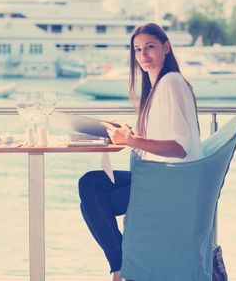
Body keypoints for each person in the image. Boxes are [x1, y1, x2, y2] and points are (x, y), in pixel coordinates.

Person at [78, 23, 203, 281]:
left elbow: (180, 148)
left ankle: (122, 267)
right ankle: (123, 266)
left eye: (149, 47)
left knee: (91, 193)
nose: (143, 55)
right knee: (91, 189)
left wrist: (133, 140)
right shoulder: (158, 86)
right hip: (161, 178)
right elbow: (165, 135)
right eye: (137, 50)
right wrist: (130, 134)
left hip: (170, 184)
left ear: (166, 48)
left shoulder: (170, 83)